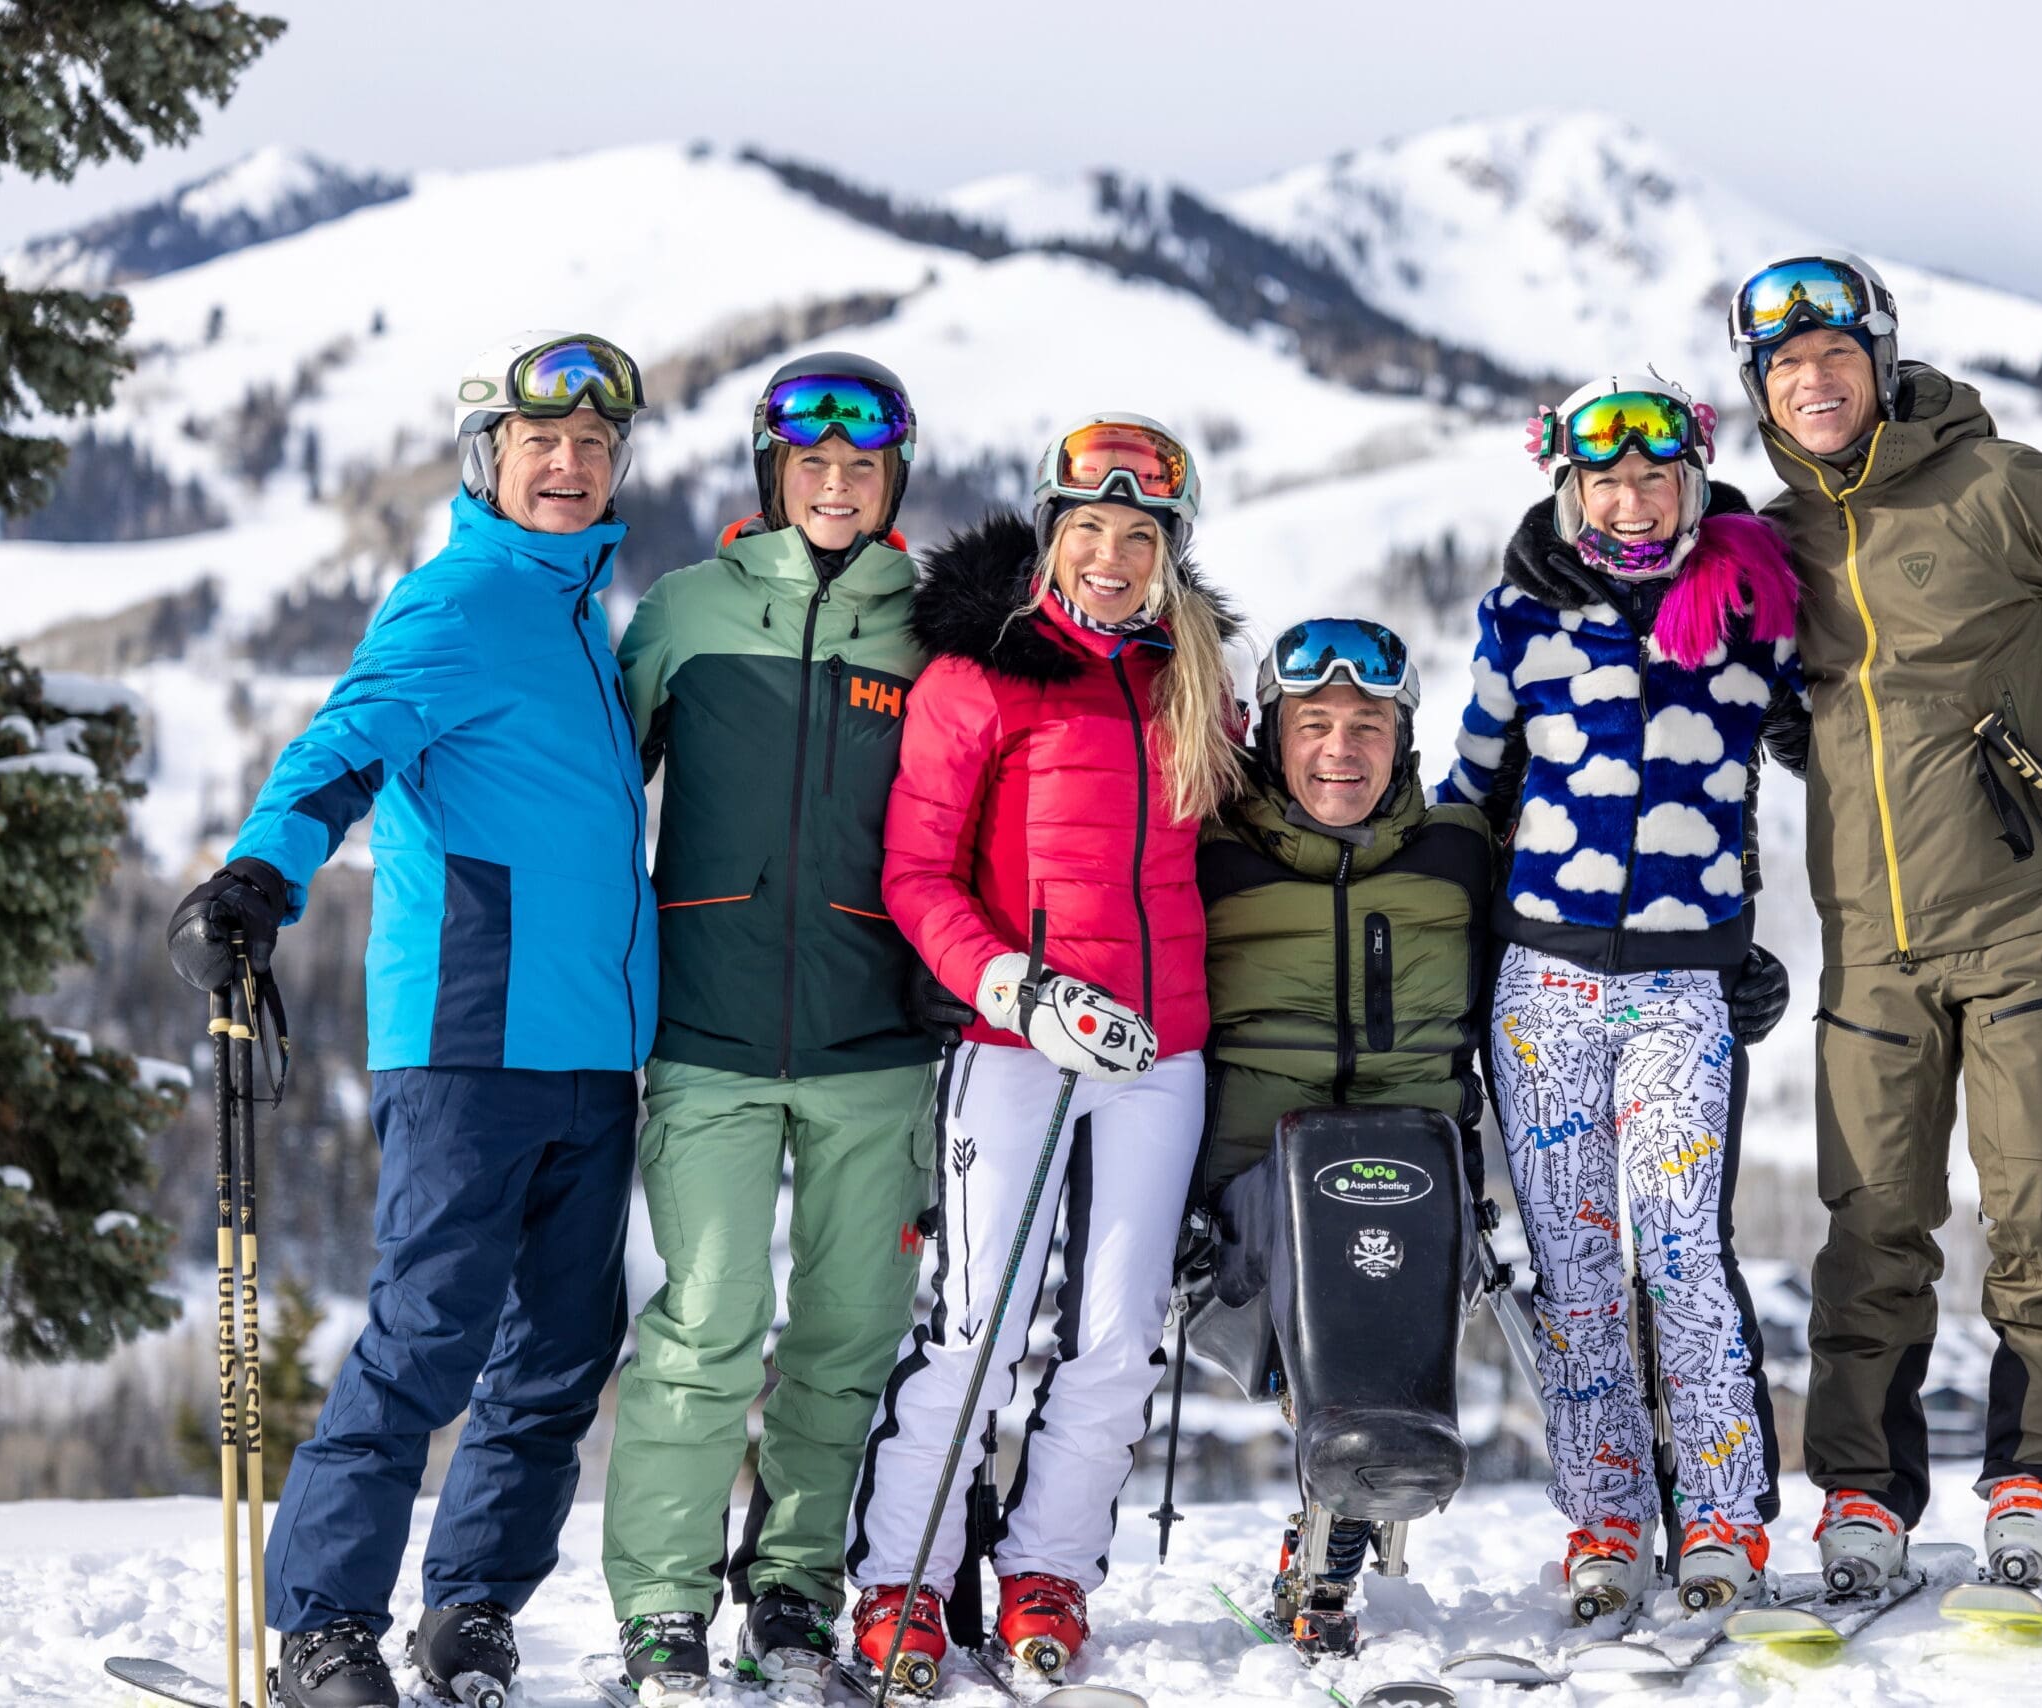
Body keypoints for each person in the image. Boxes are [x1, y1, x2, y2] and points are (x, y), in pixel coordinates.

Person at [165, 333, 654, 1708]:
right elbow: (343, 746)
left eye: (592, 447)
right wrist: (264, 869)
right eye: (538, 443)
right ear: (487, 459)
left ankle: (473, 1614)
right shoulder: (460, 599)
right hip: (468, 1038)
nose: (566, 466)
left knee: (559, 1352)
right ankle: (323, 1624)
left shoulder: (583, 617)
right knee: (432, 1334)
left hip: (593, 1053)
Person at [1727, 253, 2042, 1589]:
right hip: (1867, 943)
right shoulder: (1778, 544)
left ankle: (2032, 1483)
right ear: (1761, 393)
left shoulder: (1998, 489)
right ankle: (1865, 1494)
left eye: (1835, 355)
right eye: (1785, 367)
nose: (1814, 381)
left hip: (2024, 923)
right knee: (1870, 1229)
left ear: (1880, 362)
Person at [846, 414, 1241, 1692]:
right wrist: (1018, 989)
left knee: (1118, 1336)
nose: (1113, 555)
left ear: (1170, 552)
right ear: (1048, 533)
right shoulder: (982, 674)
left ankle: (1045, 1570)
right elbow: (915, 876)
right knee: (979, 1321)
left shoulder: (1190, 680)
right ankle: (902, 1581)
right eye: (1089, 529)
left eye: (1140, 535)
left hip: (1159, 1052)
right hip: (1016, 1042)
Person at [599, 354, 940, 1703]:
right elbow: (593, 783)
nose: (839, 487)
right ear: (771, 473)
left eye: (864, 467)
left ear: (894, 480)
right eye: (814, 465)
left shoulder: (934, 629)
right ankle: (664, 1604)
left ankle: (796, 1585)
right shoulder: (686, 613)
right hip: (710, 1034)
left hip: (881, 1042)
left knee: (850, 1333)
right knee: (708, 1325)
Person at [1439, 376, 1803, 1620]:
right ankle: (1603, 1517)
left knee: (1683, 1257)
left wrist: (1745, 940)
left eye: (1657, 478)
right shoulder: (1519, 620)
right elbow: (1467, 799)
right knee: (1577, 1269)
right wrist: (1449, 967)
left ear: (1694, 480)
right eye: (1609, 480)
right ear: (1569, 487)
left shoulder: (1754, 615)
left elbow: (1845, 753)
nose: (1635, 501)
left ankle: (1720, 1515)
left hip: (1681, 987)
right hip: (1539, 985)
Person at [1192, 617, 1494, 1653]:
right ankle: (1350, 1496)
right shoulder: (1212, 848)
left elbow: (1557, 955)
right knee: (1336, 1233)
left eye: (1367, 723)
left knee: (1382, 1228)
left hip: (1414, 1165)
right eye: (1313, 722)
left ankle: (1336, 1544)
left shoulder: (1459, 853)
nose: (1340, 748)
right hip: (1251, 1181)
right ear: (1271, 736)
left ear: (1404, 738)